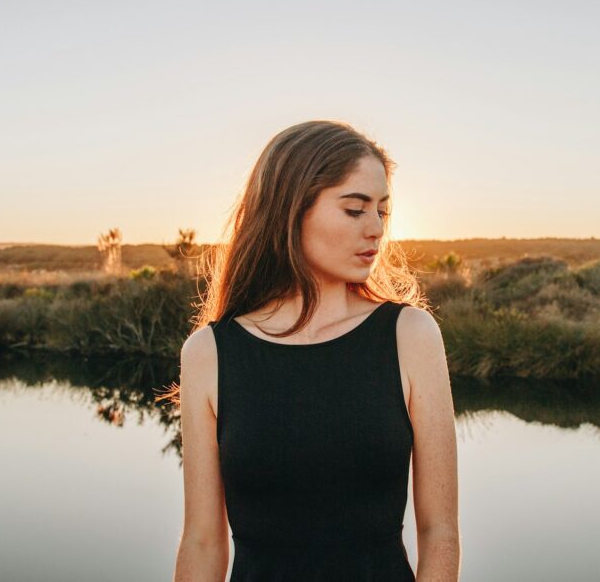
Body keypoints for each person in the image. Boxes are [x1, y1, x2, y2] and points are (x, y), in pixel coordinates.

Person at [164, 120, 460, 581]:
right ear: (290, 208)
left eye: (383, 210)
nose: (376, 228)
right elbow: (202, 542)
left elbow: (439, 532)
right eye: (354, 210)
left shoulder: (410, 336)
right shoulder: (210, 352)